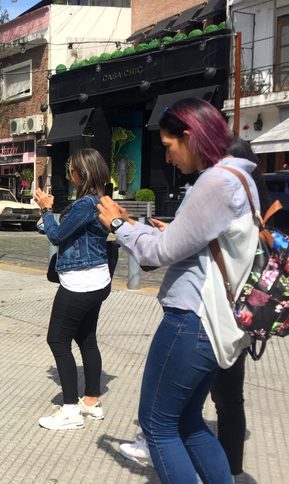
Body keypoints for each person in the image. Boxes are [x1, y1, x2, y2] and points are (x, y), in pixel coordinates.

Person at [97, 98, 258, 484]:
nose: (168, 157)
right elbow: (197, 243)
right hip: (215, 321)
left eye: (169, 146)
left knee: (157, 425)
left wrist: (120, 226)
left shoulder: (214, 181)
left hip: (193, 320)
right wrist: (155, 231)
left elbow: (161, 253)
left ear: (190, 137)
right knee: (186, 423)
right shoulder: (240, 177)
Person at [33, 148, 112, 430]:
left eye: (71, 171)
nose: (70, 175)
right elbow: (67, 233)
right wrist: (49, 220)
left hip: (80, 283)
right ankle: (90, 402)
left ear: (80, 175)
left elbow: (56, 235)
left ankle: (69, 411)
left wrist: (45, 208)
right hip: (97, 280)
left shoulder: (84, 204)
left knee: (57, 340)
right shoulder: (100, 200)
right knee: (86, 338)